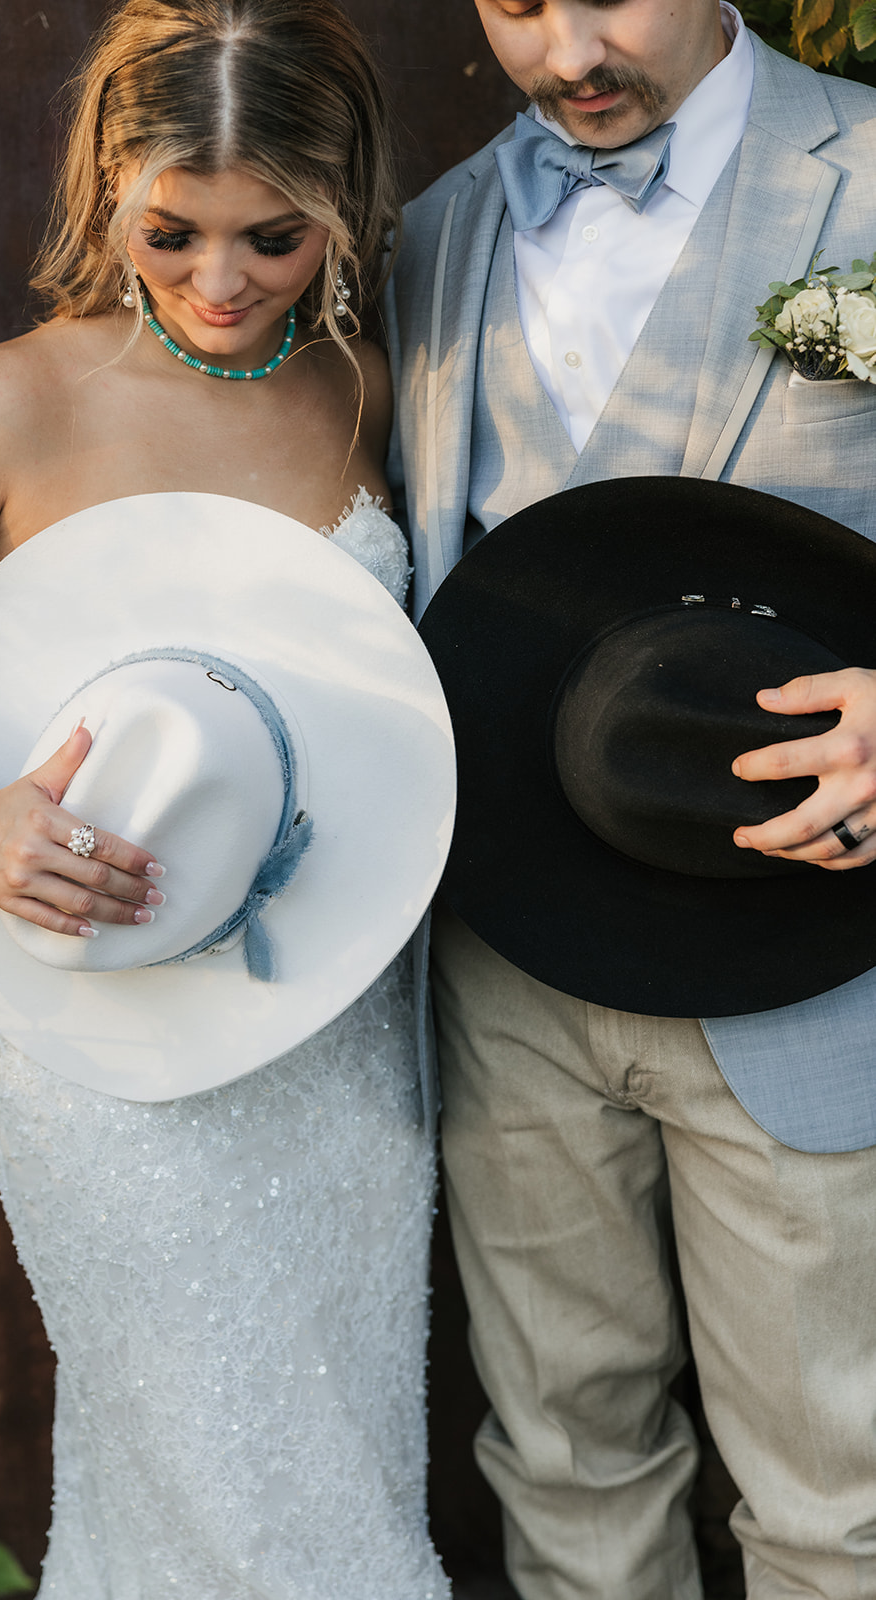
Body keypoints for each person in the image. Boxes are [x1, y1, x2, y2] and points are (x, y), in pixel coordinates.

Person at [0, 4, 453, 1597]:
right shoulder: (5, 404)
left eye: (275, 239)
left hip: (352, 1033)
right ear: (106, 188)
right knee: (211, 1483)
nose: (222, 283)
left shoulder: (373, 386)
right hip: (109, 1057)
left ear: (344, 209)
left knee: (349, 1468)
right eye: (173, 231)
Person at [384, 2, 876, 1596]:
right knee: (564, 1468)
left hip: (811, 962)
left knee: (837, 1506)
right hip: (509, 964)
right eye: (518, 5)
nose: (570, 50)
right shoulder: (439, 229)